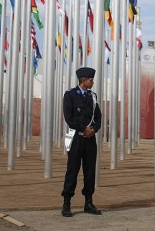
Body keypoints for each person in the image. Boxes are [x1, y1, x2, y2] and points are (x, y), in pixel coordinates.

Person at [61, 67, 102, 217]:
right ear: (84, 80)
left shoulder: (93, 96)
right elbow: (69, 118)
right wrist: (84, 129)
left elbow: (98, 117)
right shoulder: (70, 95)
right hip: (73, 136)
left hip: (90, 138)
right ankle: (66, 204)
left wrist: (93, 129)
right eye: (91, 80)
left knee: (90, 170)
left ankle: (88, 203)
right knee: (72, 169)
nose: (93, 82)